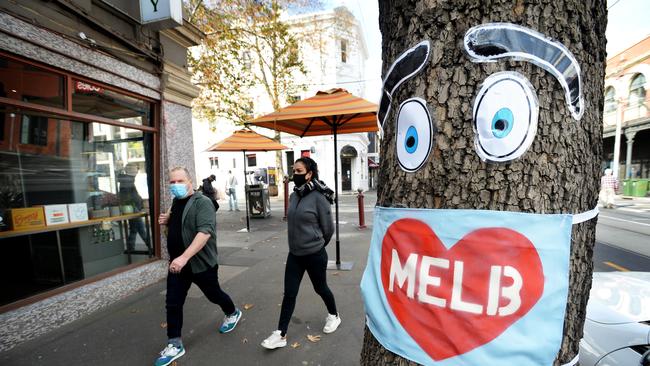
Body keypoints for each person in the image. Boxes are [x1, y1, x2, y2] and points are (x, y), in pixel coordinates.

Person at [155, 167, 241, 366]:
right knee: (173, 302)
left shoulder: (203, 203)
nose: (175, 185)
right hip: (178, 264)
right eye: (172, 182)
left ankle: (232, 312)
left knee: (214, 294)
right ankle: (174, 343)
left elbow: (204, 233)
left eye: (179, 181)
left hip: (199, 263)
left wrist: (184, 257)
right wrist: (169, 220)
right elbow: (181, 225)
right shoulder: (176, 202)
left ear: (190, 181)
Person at [261, 157, 340, 350]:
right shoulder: (295, 195)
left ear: (309, 174)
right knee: (289, 293)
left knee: (321, 288)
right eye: (293, 170)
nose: (294, 174)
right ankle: (281, 333)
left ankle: (334, 315)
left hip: (314, 254)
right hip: (295, 254)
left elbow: (328, 229)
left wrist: (317, 244)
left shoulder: (319, 197)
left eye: (298, 171)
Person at [117, 163, 149, 252]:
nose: (137, 170)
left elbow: (131, 195)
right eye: (135, 169)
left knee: (134, 229)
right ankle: (150, 247)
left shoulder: (128, 180)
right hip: (132, 208)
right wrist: (137, 205)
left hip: (133, 207)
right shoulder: (127, 180)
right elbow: (128, 197)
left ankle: (130, 248)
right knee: (141, 228)